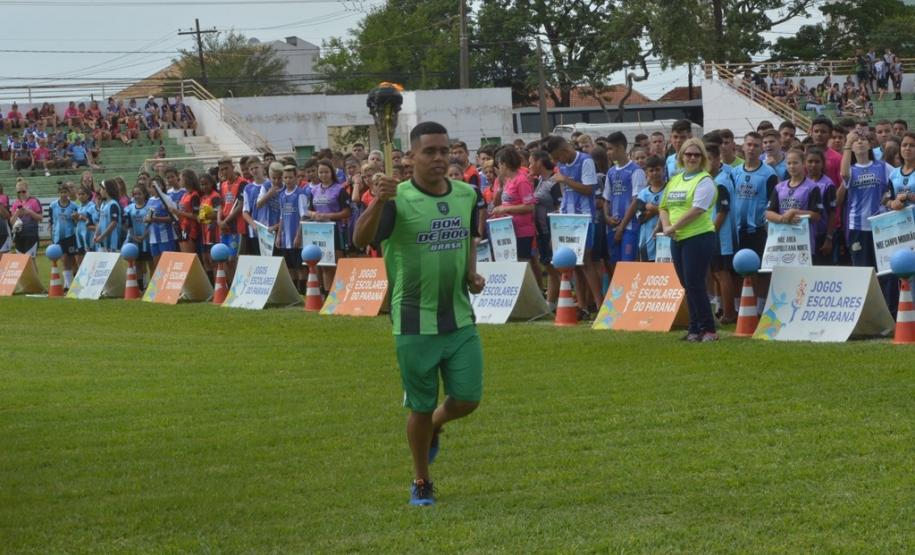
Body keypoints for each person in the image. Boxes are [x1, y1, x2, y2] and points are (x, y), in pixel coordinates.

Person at [352, 121, 486, 507]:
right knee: (420, 407)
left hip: (459, 317)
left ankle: (438, 427)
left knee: (467, 399)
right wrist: (378, 201)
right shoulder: (396, 199)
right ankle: (422, 480)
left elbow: (465, 238)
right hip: (413, 320)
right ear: (410, 157)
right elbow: (361, 240)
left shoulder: (466, 194)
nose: (440, 158)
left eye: (445, 151)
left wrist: (470, 273)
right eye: (430, 151)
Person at [659, 139, 719, 342]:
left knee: (695, 284)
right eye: (688, 154)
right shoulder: (675, 179)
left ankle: (708, 329)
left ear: (702, 158)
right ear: (681, 156)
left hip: (698, 237)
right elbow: (663, 206)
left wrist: (673, 227)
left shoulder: (705, 180)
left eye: (696, 155)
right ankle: (694, 329)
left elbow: (698, 209)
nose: (692, 158)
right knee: (687, 285)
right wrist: (667, 227)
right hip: (678, 238)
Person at [544, 135, 604, 317]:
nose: (556, 161)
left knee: (586, 262)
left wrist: (565, 180)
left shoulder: (585, 161)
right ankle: (583, 306)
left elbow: (588, 189)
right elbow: (566, 193)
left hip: (584, 219)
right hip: (568, 219)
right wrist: (561, 211)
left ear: (564, 151)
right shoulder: (562, 166)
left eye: (556, 157)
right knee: (575, 263)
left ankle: (600, 305)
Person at [731, 131, 778, 311]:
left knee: (760, 270)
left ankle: (760, 307)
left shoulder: (769, 174)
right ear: (742, 147)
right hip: (738, 229)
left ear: (761, 150)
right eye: (749, 144)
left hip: (758, 230)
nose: (751, 149)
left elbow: (773, 202)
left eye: (756, 145)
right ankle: (741, 306)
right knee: (739, 268)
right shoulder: (735, 172)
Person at [603, 131, 646, 270]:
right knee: (614, 266)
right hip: (612, 227)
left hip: (629, 228)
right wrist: (607, 217)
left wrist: (622, 227)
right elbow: (606, 199)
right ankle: (618, 292)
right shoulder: (610, 172)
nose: (608, 152)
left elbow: (636, 200)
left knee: (628, 267)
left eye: (610, 149)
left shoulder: (636, 171)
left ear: (620, 148)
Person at [764, 148, 823, 250]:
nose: (792, 166)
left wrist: (795, 212)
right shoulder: (779, 187)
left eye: (795, 163)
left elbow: (817, 216)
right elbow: (768, 214)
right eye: (789, 163)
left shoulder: (812, 187)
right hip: (782, 240)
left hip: (804, 241)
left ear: (803, 163)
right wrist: (783, 219)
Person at [308, 158, 352, 292]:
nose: (323, 175)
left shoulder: (339, 190)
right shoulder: (314, 190)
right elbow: (309, 209)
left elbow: (347, 212)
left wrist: (328, 216)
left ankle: (339, 292)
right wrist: (313, 215)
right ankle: (325, 294)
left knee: (335, 264)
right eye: (320, 172)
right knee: (322, 264)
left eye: (326, 172)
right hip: (318, 232)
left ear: (332, 173)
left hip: (335, 231)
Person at [705, 143, 738, 324]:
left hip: (721, 236)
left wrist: (711, 231)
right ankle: (724, 309)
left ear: (718, 159)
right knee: (716, 274)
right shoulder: (711, 180)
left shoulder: (721, 182)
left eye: (710, 159)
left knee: (722, 274)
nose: (707, 163)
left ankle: (729, 314)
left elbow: (723, 211)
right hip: (714, 233)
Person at [490, 146, 535, 261]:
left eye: (499, 164)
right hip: (509, 229)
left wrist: (504, 209)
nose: (498, 167)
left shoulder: (521, 180)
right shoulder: (509, 180)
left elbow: (529, 206)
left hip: (522, 231)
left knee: (522, 263)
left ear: (504, 164)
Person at [529, 150, 561, 308]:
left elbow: (560, 207)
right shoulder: (539, 180)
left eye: (531, 162)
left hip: (551, 230)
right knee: (548, 265)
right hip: (540, 229)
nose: (529, 166)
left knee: (555, 267)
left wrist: (555, 234)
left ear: (539, 162)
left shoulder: (554, 181)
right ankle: (552, 302)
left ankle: (555, 302)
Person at [217, 156, 248, 282]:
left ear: (233, 167)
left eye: (226, 168)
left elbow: (240, 206)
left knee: (233, 258)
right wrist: (219, 220)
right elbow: (220, 205)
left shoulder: (242, 183)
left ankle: (237, 284)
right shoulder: (222, 185)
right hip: (224, 228)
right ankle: (229, 286)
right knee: (224, 258)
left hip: (237, 227)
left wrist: (225, 221)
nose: (224, 172)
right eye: (221, 169)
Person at [278, 165, 308, 290]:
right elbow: (281, 217)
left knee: (300, 267)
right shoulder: (281, 195)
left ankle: (303, 290)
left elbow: (304, 216)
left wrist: (298, 236)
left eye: (291, 177)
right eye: (286, 177)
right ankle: (294, 290)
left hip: (297, 238)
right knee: (290, 267)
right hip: (286, 239)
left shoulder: (300, 194)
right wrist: (279, 235)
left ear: (296, 178)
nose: (288, 180)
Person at [805, 149, 838, 265]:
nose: (813, 165)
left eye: (817, 162)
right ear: (804, 163)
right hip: (804, 235)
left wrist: (828, 238)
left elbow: (832, 213)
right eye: (810, 161)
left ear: (823, 164)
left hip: (821, 236)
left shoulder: (828, 184)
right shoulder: (800, 182)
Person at [635, 155, 666, 262]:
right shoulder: (643, 194)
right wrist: (660, 211)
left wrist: (653, 208)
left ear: (664, 170)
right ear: (646, 173)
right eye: (651, 170)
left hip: (667, 240)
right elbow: (640, 217)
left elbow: (673, 213)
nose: (654, 173)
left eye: (657, 170)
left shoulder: (670, 190)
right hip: (647, 241)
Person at [49, 183, 79, 288]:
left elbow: (77, 223)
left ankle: (69, 284)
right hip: (58, 236)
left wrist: (76, 218)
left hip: (70, 236)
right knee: (64, 259)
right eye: (61, 192)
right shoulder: (53, 205)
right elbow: (51, 221)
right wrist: (51, 236)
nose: (63, 194)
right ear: (58, 193)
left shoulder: (74, 206)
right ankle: (68, 284)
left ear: (69, 193)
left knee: (70, 260)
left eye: (65, 192)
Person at [9, 178, 42, 256]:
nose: (21, 193)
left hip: (31, 235)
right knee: (21, 262)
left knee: (31, 261)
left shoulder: (34, 201)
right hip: (19, 236)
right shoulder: (15, 203)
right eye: (19, 192)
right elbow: (11, 221)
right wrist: (17, 213)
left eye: (23, 191)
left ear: (27, 190)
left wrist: (29, 212)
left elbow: (40, 218)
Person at [175, 169, 201, 254]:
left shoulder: (194, 195)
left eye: (180, 179)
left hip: (190, 229)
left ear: (186, 179)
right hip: (183, 228)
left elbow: (196, 215)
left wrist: (179, 212)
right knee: (184, 256)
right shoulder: (185, 194)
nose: (179, 181)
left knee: (189, 256)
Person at [93, 180, 122, 252]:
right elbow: (100, 221)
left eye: (102, 189)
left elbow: (113, 223)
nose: (100, 191)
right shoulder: (104, 204)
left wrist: (102, 236)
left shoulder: (113, 204)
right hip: (103, 241)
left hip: (112, 242)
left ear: (107, 190)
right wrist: (96, 234)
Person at [75, 184, 97, 265]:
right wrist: (75, 218)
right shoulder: (79, 206)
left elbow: (92, 220)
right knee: (80, 255)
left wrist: (80, 216)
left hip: (88, 234)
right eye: (79, 194)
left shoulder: (91, 205)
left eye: (83, 194)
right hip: (80, 233)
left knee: (89, 256)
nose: (80, 196)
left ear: (88, 195)